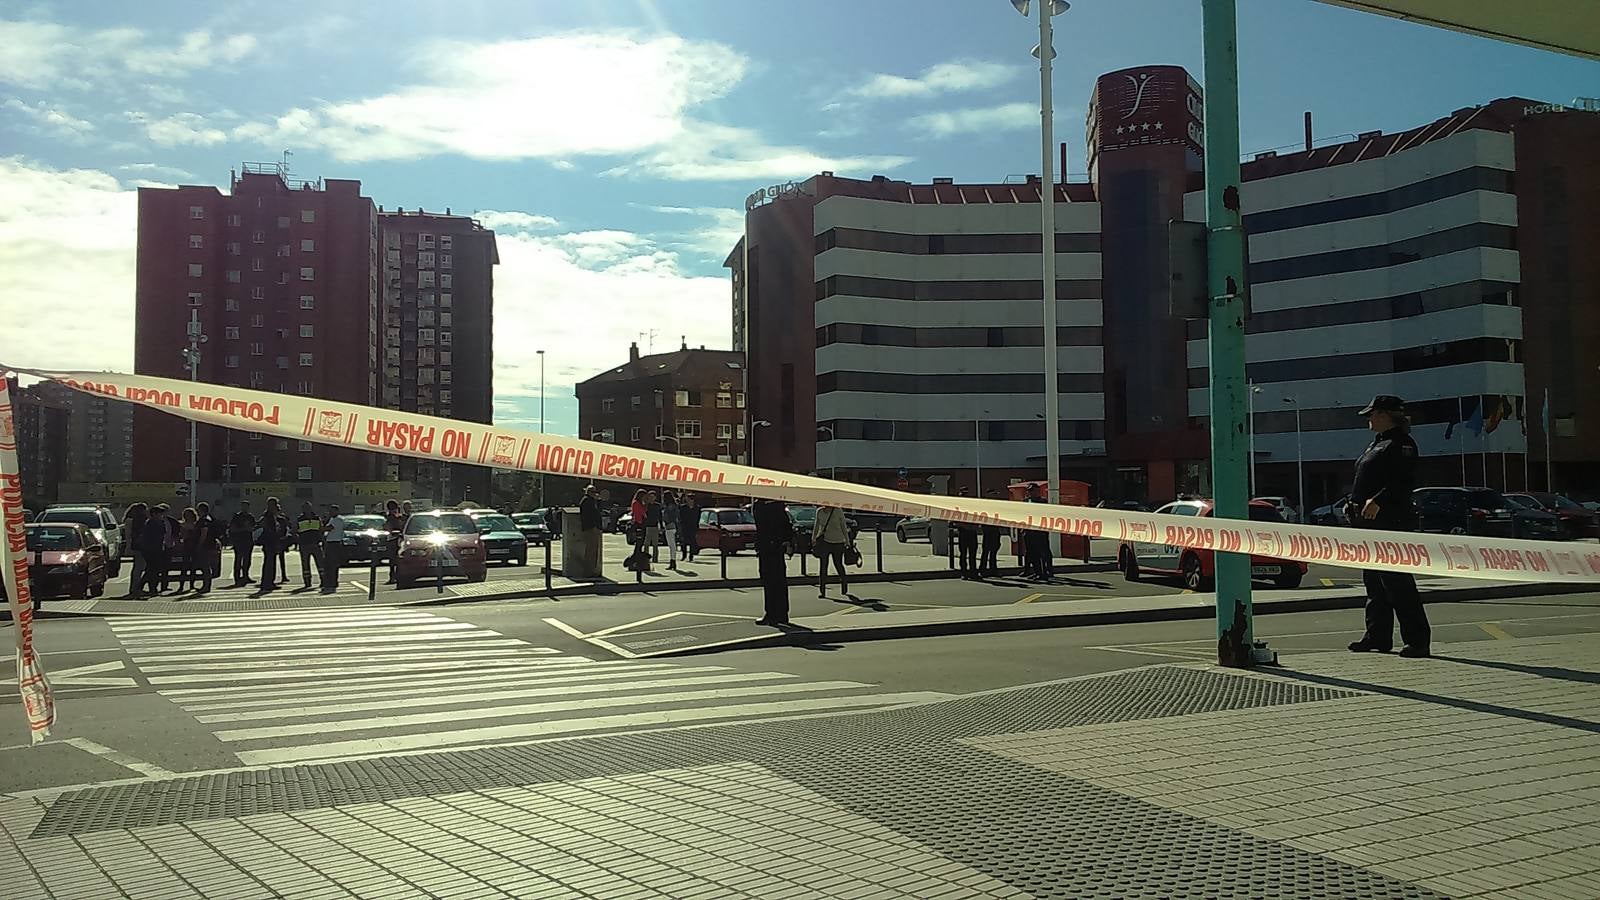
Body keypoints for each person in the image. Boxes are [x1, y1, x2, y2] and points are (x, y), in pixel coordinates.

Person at [1345, 395, 1429, 658]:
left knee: (1398, 582)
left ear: (1385, 415)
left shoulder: (1402, 444)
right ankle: (1378, 636)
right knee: (1374, 583)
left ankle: (1417, 641)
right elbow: (1365, 480)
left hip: (1391, 521)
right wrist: (1352, 503)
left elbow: (1403, 481)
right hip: (1369, 523)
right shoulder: (1376, 444)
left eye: (1372, 414)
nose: (1369, 419)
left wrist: (1379, 500)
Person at [753, 498, 794, 626]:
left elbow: (782, 526)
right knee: (776, 580)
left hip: (771, 547)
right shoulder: (772, 505)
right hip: (772, 547)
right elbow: (786, 525)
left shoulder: (762, 506)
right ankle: (781, 614)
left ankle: (772, 614)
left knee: (771, 581)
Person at [813, 503, 851, 598]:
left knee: (838, 564)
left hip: (838, 542)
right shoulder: (819, 512)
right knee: (823, 565)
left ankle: (844, 583)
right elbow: (817, 525)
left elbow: (843, 526)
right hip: (825, 541)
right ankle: (822, 591)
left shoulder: (838, 511)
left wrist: (847, 540)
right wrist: (813, 538)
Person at [295, 501, 326, 591]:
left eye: (308, 507)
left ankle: (323, 580)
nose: (307, 509)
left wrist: (321, 540)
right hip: (304, 545)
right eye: (305, 508)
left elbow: (321, 529)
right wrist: (298, 541)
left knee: (320, 564)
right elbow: (294, 530)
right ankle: (307, 582)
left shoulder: (316, 518)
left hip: (315, 544)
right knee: (305, 565)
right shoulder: (299, 519)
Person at [258, 498, 287, 591]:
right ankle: (267, 582)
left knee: (271, 562)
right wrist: (276, 539)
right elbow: (270, 530)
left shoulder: (272, 516)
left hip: (272, 542)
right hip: (270, 542)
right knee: (269, 563)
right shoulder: (268, 516)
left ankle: (269, 581)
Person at [122, 502, 150, 599]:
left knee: (138, 568)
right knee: (138, 568)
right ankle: (135, 588)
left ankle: (135, 587)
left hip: (137, 546)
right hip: (139, 546)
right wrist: (128, 547)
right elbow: (129, 535)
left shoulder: (131, 520)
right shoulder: (136, 521)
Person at [229, 500, 257, 586]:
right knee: (238, 560)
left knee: (247, 560)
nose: (245, 508)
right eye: (243, 506)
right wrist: (243, 529)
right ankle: (237, 578)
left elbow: (253, 527)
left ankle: (246, 576)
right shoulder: (237, 517)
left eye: (247, 506)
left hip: (248, 540)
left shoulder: (250, 517)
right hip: (239, 541)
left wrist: (251, 529)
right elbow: (232, 529)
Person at [953, 487, 979, 580]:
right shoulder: (958, 508)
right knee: (963, 553)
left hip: (972, 532)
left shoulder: (972, 506)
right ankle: (964, 572)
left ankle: (973, 572)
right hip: (963, 532)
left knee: (972, 554)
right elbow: (954, 521)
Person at [195, 502, 222, 584]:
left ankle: (206, 585)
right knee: (206, 566)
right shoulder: (210, 518)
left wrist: (200, 544)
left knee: (205, 566)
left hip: (206, 545)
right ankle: (206, 585)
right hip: (211, 544)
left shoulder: (204, 520)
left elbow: (204, 532)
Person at [980, 490, 1003, 578]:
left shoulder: (996, 506)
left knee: (993, 552)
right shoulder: (985, 506)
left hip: (995, 531)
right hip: (988, 531)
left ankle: (993, 569)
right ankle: (983, 570)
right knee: (986, 551)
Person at [321, 504, 343, 593]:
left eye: (332, 511)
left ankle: (333, 582)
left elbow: (329, 528)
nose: (330, 512)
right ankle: (329, 581)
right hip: (330, 543)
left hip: (335, 543)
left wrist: (320, 528)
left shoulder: (338, 519)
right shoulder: (332, 519)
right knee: (328, 564)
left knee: (333, 564)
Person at [383, 499, 406, 584]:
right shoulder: (393, 517)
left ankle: (394, 577)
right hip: (395, 539)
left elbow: (388, 528)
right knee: (395, 559)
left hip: (392, 539)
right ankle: (394, 576)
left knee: (393, 560)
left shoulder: (391, 517)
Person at [662, 490, 680, 571]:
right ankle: (672, 561)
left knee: (671, 546)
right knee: (673, 545)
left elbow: (667, 517)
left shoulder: (668, 507)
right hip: (674, 526)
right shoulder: (674, 506)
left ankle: (673, 562)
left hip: (669, 526)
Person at [643, 490, 663, 563]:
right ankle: (646, 559)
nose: (651, 498)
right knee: (646, 544)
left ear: (655, 497)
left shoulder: (657, 506)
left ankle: (655, 559)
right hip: (647, 526)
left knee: (655, 544)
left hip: (655, 526)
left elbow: (660, 516)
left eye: (653, 496)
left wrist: (661, 525)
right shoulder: (646, 505)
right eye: (650, 496)